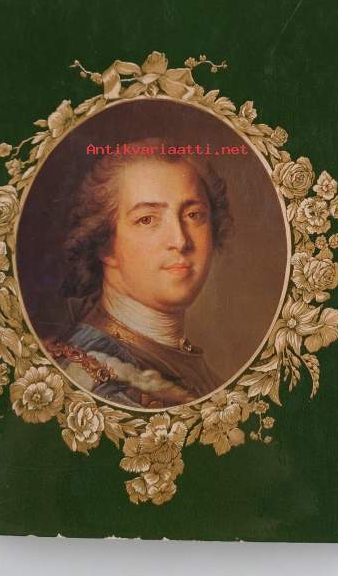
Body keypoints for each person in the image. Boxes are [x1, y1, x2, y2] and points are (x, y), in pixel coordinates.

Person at [45, 138, 233, 408]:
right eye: (147, 219)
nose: (180, 240)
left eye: (193, 215)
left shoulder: (193, 367)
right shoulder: (95, 378)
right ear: (104, 243)